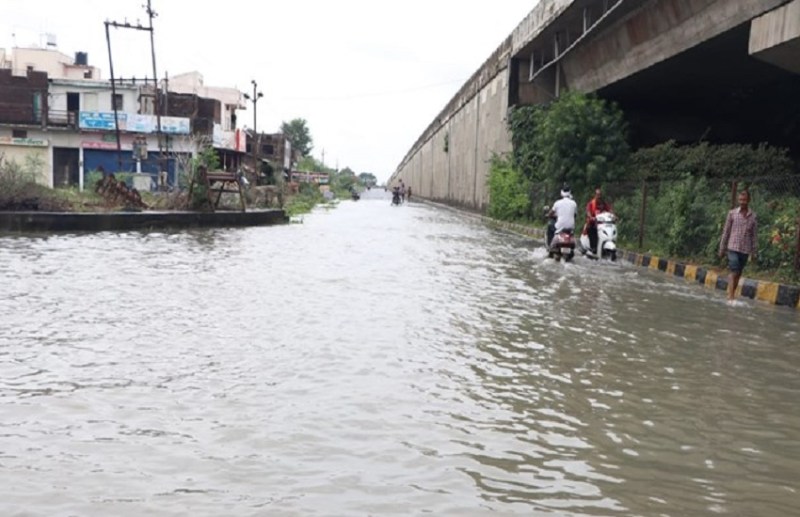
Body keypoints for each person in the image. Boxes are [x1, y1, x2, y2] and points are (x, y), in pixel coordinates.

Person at [719, 190, 758, 301]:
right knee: (734, 271)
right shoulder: (732, 214)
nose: (742, 202)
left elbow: (754, 236)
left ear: (749, 200)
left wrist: (754, 252)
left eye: (744, 200)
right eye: (740, 199)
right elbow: (726, 232)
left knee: (739, 273)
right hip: (733, 247)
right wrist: (722, 248)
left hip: (745, 250)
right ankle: (731, 297)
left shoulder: (753, 217)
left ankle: (730, 293)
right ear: (738, 200)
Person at [582, 188, 613, 253]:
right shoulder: (591, 203)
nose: (599, 196)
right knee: (591, 229)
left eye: (600, 195)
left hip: (603, 223)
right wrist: (591, 217)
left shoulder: (603, 203)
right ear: (595, 195)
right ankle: (593, 247)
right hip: (593, 223)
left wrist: (613, 216)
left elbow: (609, 210)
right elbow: (588, 211)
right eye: (597, 195)